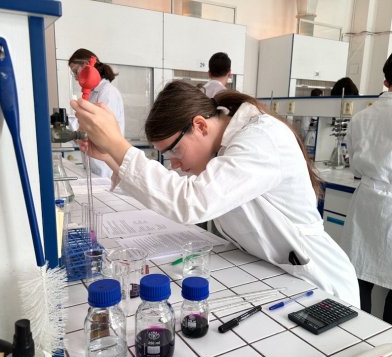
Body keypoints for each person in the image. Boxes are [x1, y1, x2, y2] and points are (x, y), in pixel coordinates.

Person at [71, 80, 360, 307]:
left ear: (200, 125)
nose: (174, 163)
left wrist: (118, 146)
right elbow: (171, 186)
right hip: (279, 277)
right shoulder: (221, 150)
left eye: (175, 151)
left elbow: (191, 201)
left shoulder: (260, 138)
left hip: (320, 282)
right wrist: (111, 156)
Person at [340, 53, 392, 322]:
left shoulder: (361, 117)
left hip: (367, 201)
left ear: (386, 82)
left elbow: (355, 168)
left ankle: (361, 337)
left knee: (359, 277)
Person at [68, 48, 125, 177]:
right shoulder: (92, 93)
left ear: (87, 65)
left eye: (76, 72)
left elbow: (99, 128)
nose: (76, 78)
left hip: (106, 168)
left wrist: (70, 123)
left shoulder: (108, 92)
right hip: (94, 165)